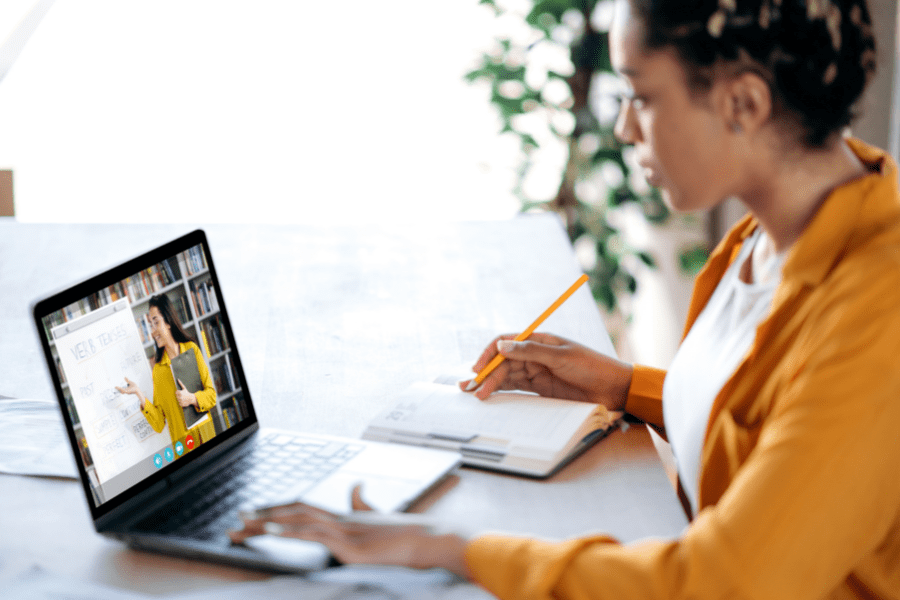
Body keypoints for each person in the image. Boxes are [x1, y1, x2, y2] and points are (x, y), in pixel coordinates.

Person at [230, 0, 900, 597]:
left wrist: (450, 548)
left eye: (640, 96)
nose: (625, 130)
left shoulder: (878, 311)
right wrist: (622, 385)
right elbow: (781, 418)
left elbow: (720, 582)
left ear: (743, 104)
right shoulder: (772, 231)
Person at [117, 294, 217, 448]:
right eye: (151, 325)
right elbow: (158, 423)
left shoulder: (192, 350)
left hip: (207, 438)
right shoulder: (158, 371)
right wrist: (139, 393)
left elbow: (211, 396)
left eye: (156, 322)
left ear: (168, 321)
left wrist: (192, 399)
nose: (152, 330)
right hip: (184, 450)